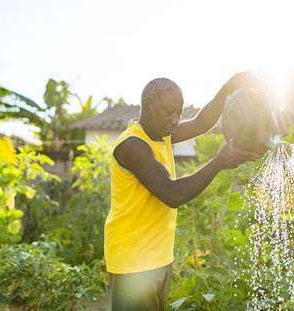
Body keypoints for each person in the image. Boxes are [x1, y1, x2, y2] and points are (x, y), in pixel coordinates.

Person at [104, 72, 262, 311]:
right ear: (147, 106)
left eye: (179, 112)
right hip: (132, 263)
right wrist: (219, 162)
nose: (176, 120)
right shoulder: (133, 146)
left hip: (157, 258)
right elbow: (172, 194)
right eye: (169, 112)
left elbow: (201, 123)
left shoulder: (161, 133)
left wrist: (227, 88)